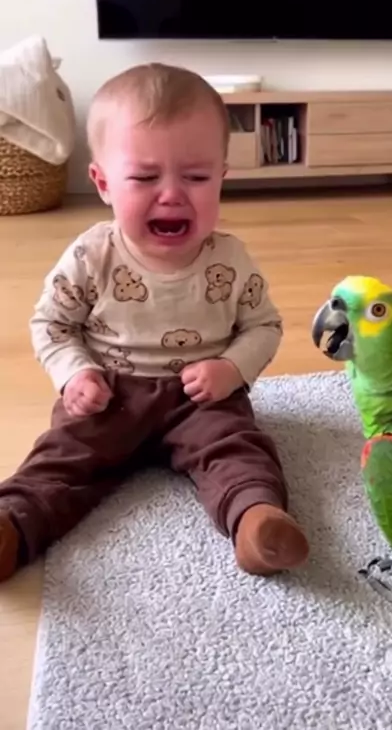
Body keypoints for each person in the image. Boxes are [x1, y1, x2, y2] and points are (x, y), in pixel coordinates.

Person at [0, 62, 309, 582]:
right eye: (145, 177)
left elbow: (264, 326)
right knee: (61, 458)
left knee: (237, 449)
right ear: (103, 183)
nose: (171, 194)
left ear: (222, 178)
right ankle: (13, 524)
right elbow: (52, 324)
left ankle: (257, 522)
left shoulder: (230, 260)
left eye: (196, 177)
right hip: (108, 396)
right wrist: (75, 374)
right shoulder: (91, 256)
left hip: (201, 398)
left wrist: (231, 369)